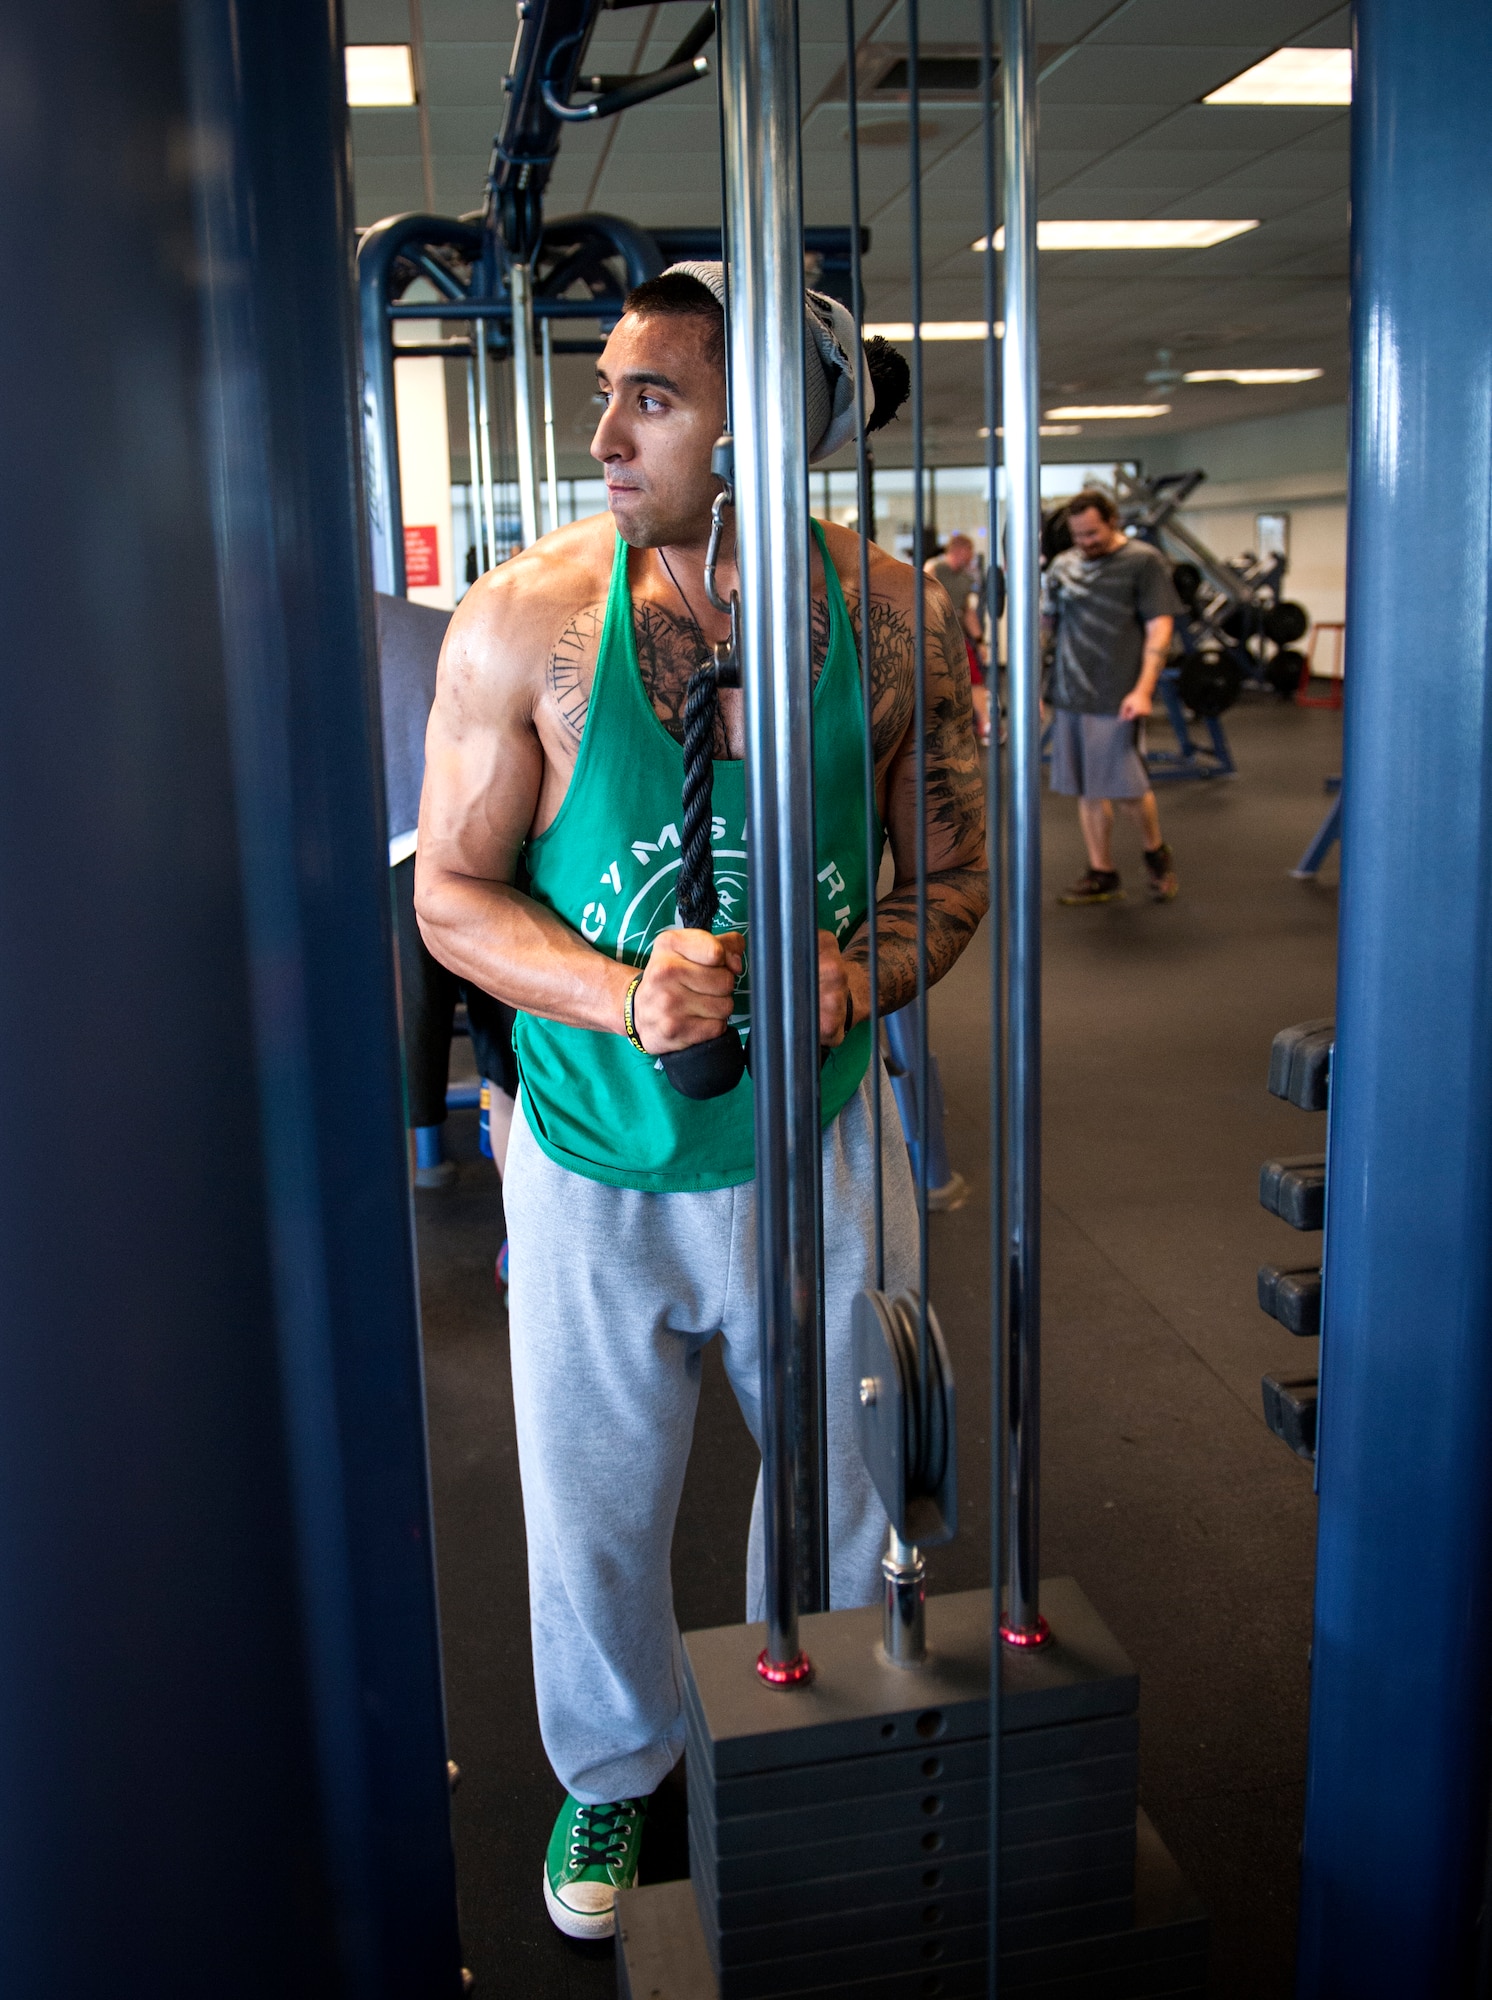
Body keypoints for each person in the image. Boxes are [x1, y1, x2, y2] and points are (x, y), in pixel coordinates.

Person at [414, 267, 988, 1940]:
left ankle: (809, 1742)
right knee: (589, 1507)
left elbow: (947, 870)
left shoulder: (889, 617)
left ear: (774, 425)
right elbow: (451, 895)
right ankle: (612, 1784)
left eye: (650, 397)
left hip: (814, 1142)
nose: (601, 432)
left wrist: (848, 977)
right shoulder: (524, 619)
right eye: (609, 389)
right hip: (590, 1155)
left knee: (849, 1476)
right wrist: (616, 992)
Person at [1041, 488, 1182, 905]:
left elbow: (1160, 628)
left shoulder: (1143, 562)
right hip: (1069, 693)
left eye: (1093, 533)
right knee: (1086, 790)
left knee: (1126, 789)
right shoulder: (1063, 565)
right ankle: (1102, 871)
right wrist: (1038, 687)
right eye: (1079, 535)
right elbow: (1048, 627)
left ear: (1113, 521)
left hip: (1117, 695)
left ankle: (1155, 851)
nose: (1086, 542)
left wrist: (1143, 690)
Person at [925, 531, 990, 744]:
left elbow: (967, 611)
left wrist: (980, 641)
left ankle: (986, 725)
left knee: (973, 679)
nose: (971, 557)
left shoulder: (965, 578)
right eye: (969, 552)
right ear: (959, 550)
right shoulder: (934, 568)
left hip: (957, 638)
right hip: (932, 638)